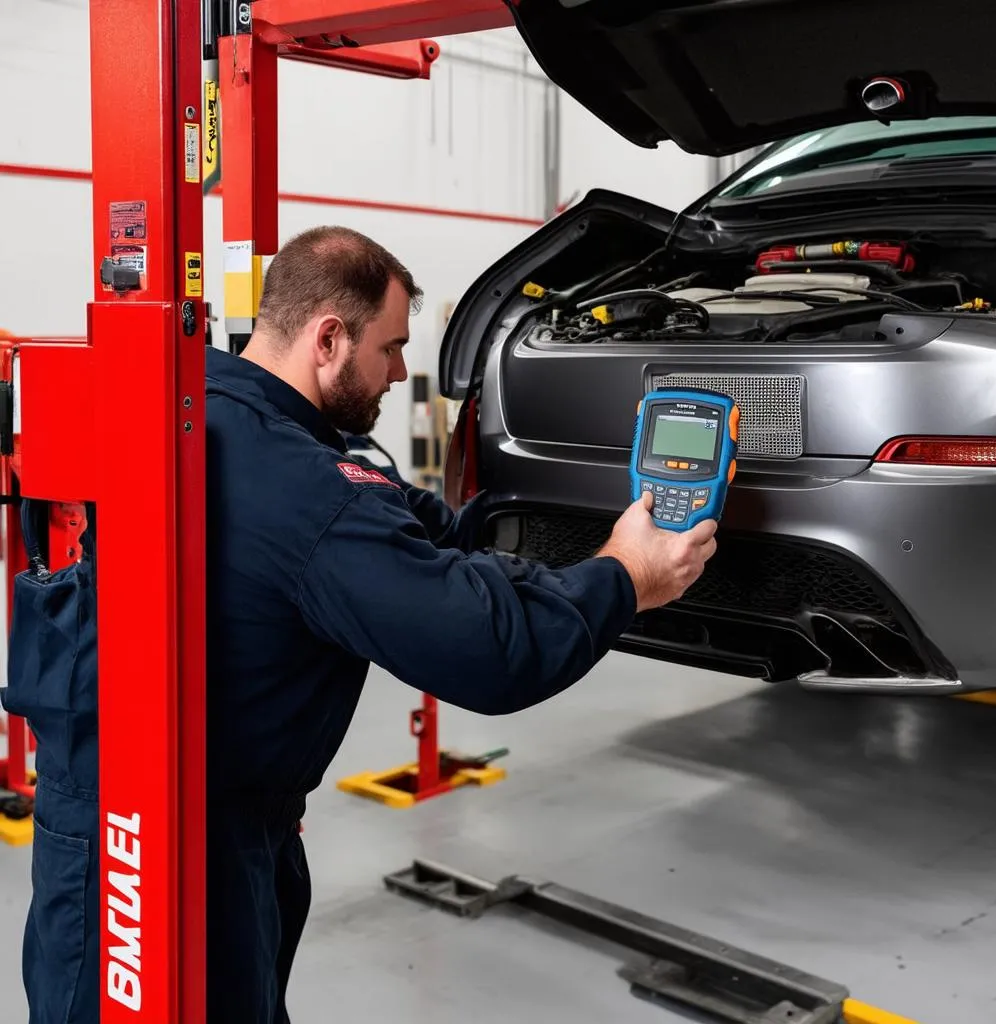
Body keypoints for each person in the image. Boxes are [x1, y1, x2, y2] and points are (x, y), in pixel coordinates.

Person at [5, 224, 718, 1024]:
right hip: (165, 843)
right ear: (329, 338)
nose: (399, 372)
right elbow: (489, 651)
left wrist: (567, 517)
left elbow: (413, 525)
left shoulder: (200, 402)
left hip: (161, 816)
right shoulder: (309, 492)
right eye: (391, 347)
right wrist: (627, 578)